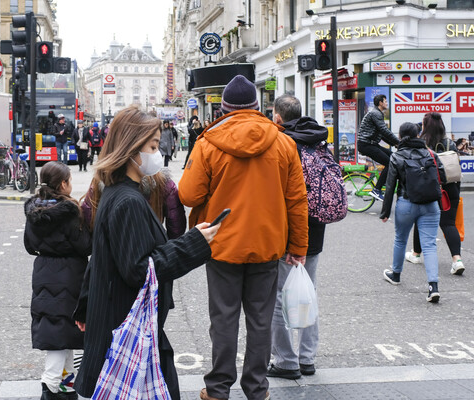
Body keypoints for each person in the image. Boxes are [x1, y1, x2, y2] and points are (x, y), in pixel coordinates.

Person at [72, 106, 220, 400]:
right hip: (131, 329)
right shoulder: (128, 201)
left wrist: (85, 304)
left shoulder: (117, 193)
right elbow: (140, 270)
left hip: (125, 324)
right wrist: (195, 243)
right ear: (131, 148)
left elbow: (102, 258)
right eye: (153, 146)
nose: (157, 153)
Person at [178, 75, 309, 400]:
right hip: (267, 246)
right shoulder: (283, 142)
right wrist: (298, 247)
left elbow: (188, 195)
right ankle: (257, 388)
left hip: (221, 245)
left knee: (223, 320)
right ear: (256, 106)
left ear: (224, 109)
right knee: (261, 320)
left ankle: (218, 388)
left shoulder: (208, 143)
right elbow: (297, 200)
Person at [267, 94, 328, 380]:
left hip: (287, 231)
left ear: (277, 117)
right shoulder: (318, 139)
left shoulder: (280, 143)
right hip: (315, 231)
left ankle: (285, 361)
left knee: (279, 297)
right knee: (307, 293)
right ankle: (308, 358)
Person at [23, 161, 92, 400]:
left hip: (44, 271)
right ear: (63, 184)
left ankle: (66, 387)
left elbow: (29, 246)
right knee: (61, 334)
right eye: (70, 180)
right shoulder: (69, 211)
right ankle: (51, 386)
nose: (72, 184)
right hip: (69, 274)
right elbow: (85, 246)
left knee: (62, 333)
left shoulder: (34, 210)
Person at [380, 122, 445, 303]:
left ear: (400, 137)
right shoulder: (430, 153)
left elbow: (390, 186)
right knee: (430, 245)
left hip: (406, 203)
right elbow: (444, 177)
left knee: (401, 239)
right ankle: (433, 287)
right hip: (431, 204)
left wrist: (385, 212)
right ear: (418, 135)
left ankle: (396, 274)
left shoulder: (397, 156)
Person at [405, 113, 465, 276]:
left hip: (429, 187)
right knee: (448, 223)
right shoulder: (450, 143)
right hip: (450, 187)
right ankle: (457, 260)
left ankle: (416, 254)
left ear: (426, 126)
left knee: (421, 219)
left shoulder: (422, 144)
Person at [82, 170, 187, 240]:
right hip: (152, 250)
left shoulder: (101, 179)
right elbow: (176, 226)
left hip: (110, 253)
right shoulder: (163, 182)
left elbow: (89, 218)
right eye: (153, 146)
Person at [357, 94, 399, 201]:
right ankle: (377, 189)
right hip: (366, 145)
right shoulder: (376, 113)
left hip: (371, 144)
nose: (386, 103)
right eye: (385, 101)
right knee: (390, 163)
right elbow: (384, 130)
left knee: (393, 157)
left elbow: (382, 134)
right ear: (380, 103)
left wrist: (396, 144)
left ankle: (387, 181)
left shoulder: (376, 113)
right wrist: (398, 142)